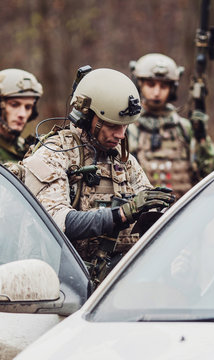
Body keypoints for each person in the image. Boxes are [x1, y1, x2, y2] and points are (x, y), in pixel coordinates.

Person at [20, 68, 175, 284]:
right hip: (60, 287)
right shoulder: (53, 153)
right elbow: (56, 221)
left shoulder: (124, 160)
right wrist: (120, 214)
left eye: (125, 127)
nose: (121, 135)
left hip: (115, 286)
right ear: (86, 117)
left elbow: (147, 206)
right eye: (113, 126)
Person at [128, 53, 214, 198]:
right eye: (151, 85)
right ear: (139, 84)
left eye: (163, 86)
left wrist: (201, 137)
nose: (157, 92)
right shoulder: (127, 128)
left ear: (172, 88)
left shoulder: (184, 128)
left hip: (182, 211)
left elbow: (211, 171)